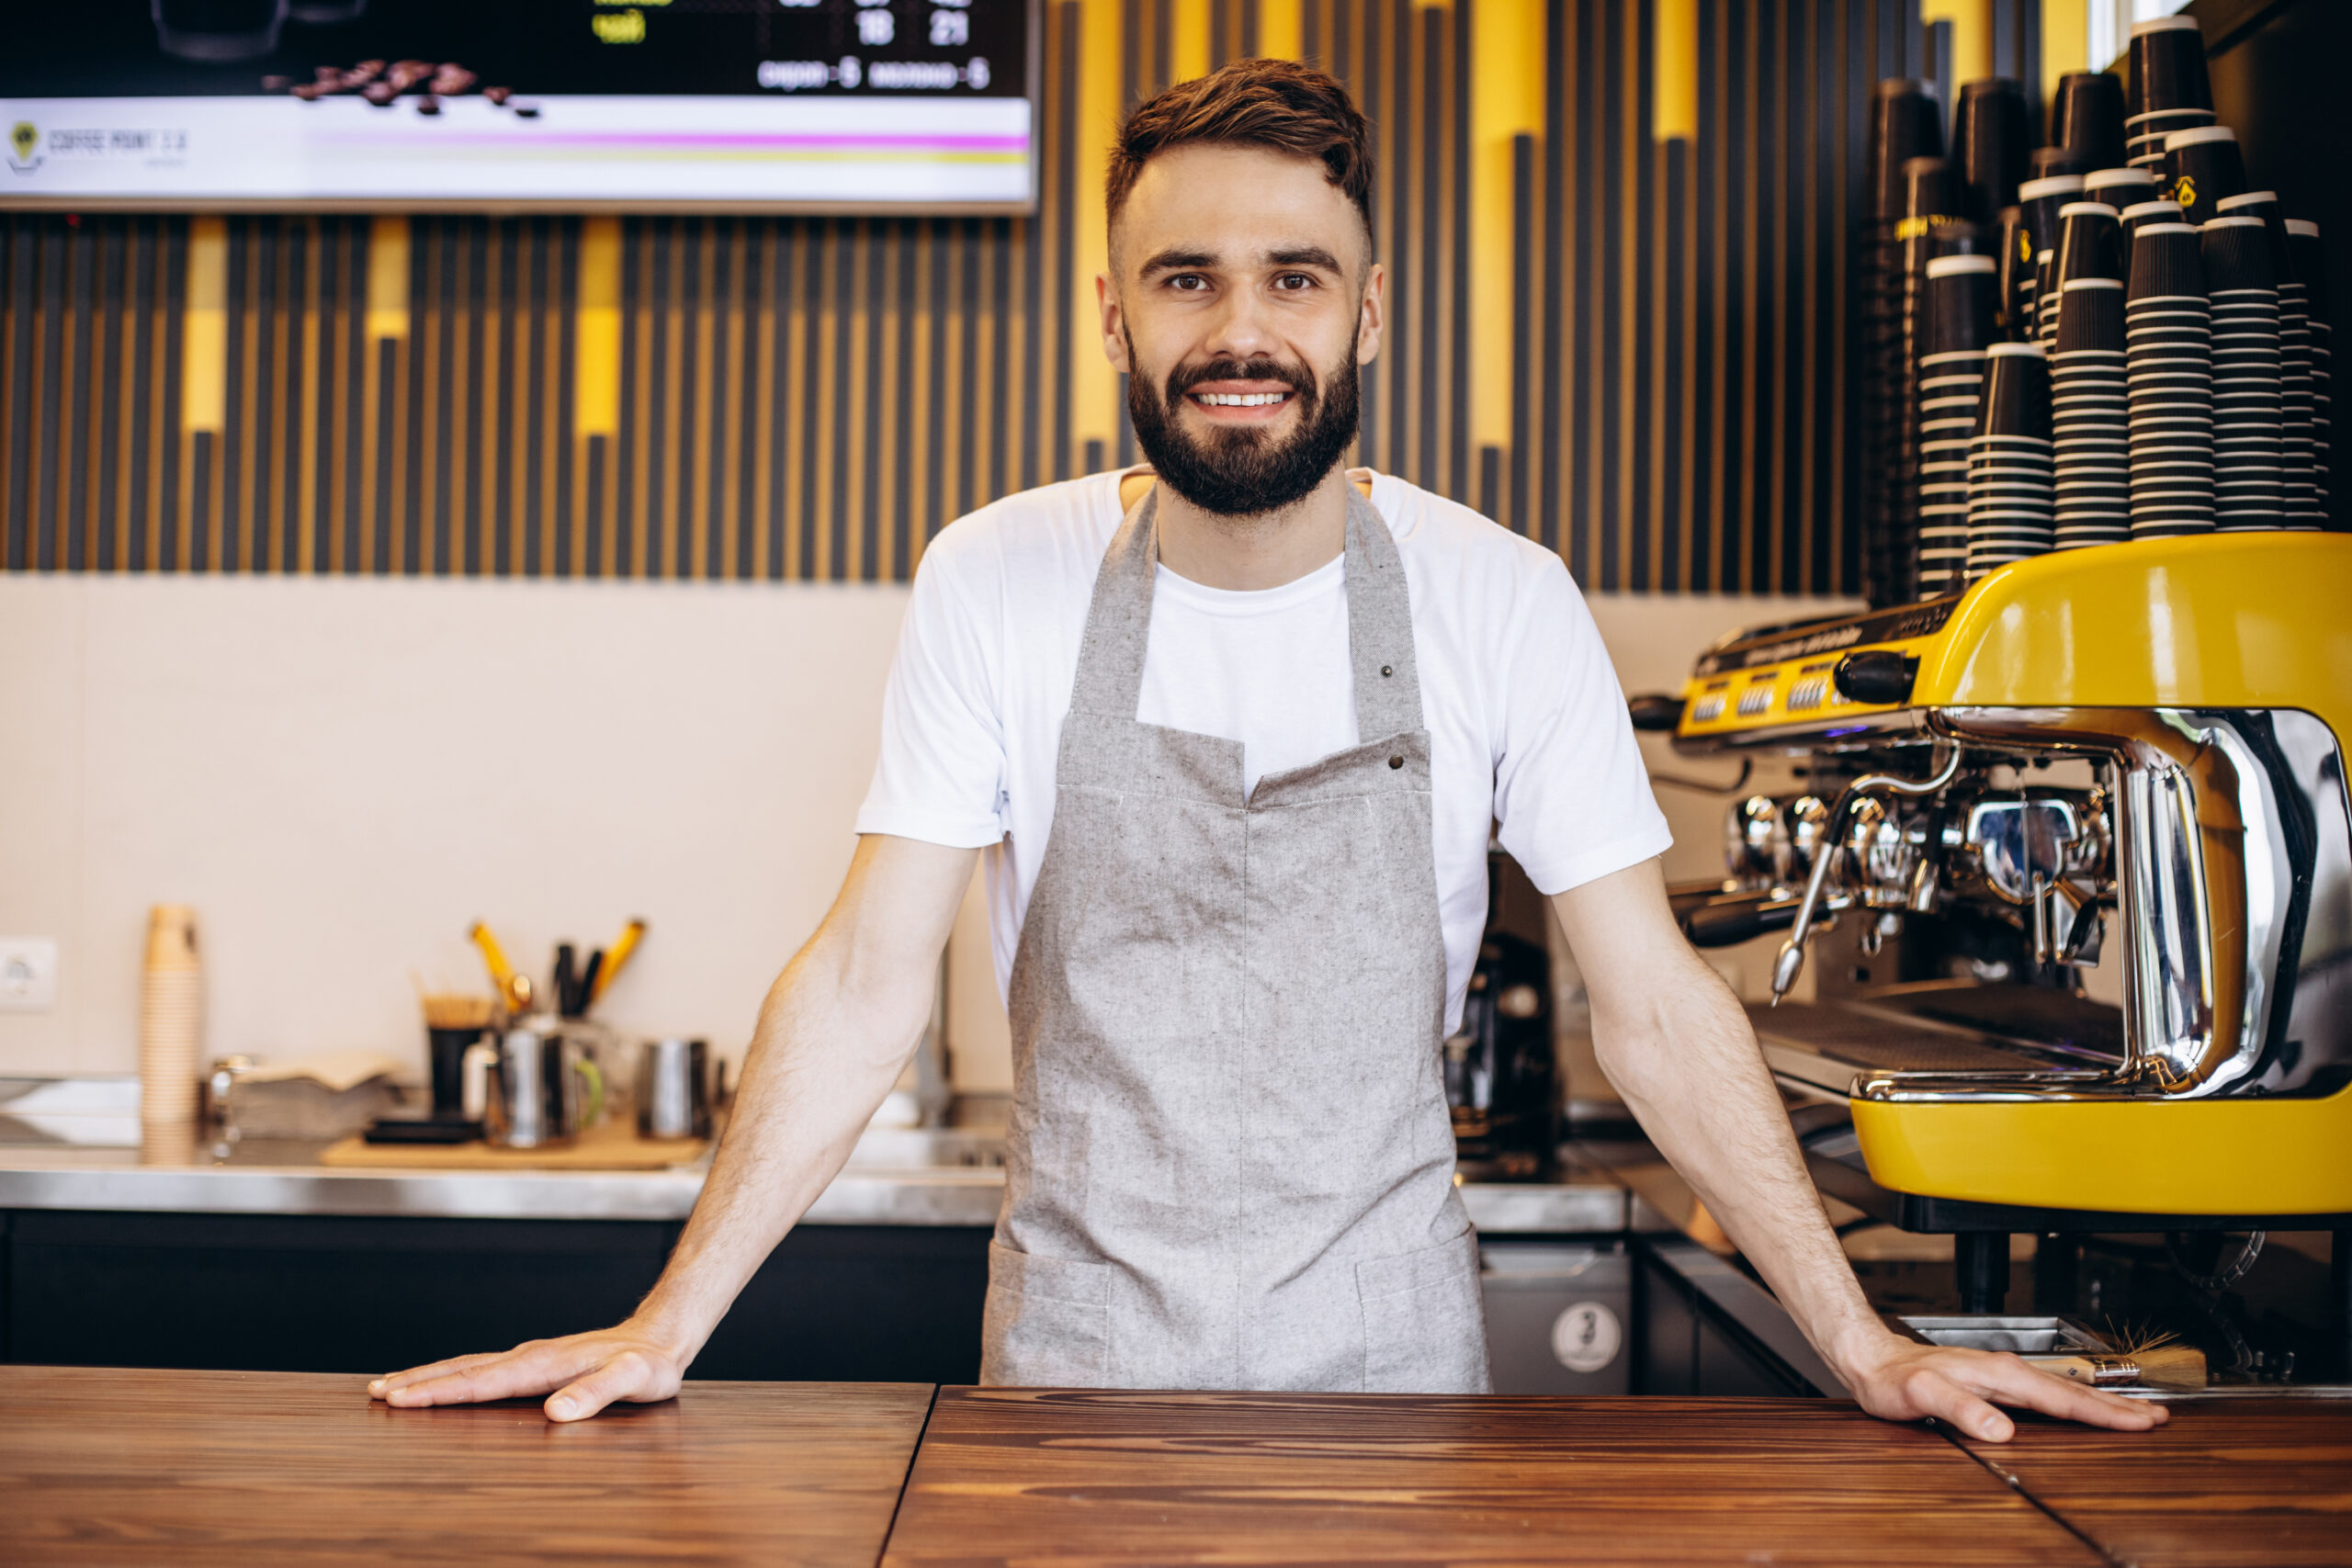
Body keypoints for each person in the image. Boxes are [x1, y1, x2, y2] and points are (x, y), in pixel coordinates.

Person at [372, 60, 2161, 1442]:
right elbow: (861, 976)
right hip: (1066, 1376)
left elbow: (1654, 1004)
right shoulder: (996, 579)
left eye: (1293, 278)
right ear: (1112, 313)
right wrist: (664, 1321)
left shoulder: (1496, 596)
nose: (1240, 331)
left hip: (1390, 1380)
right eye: (1185, 278)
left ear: (1366, 313)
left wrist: (1854, 1336)